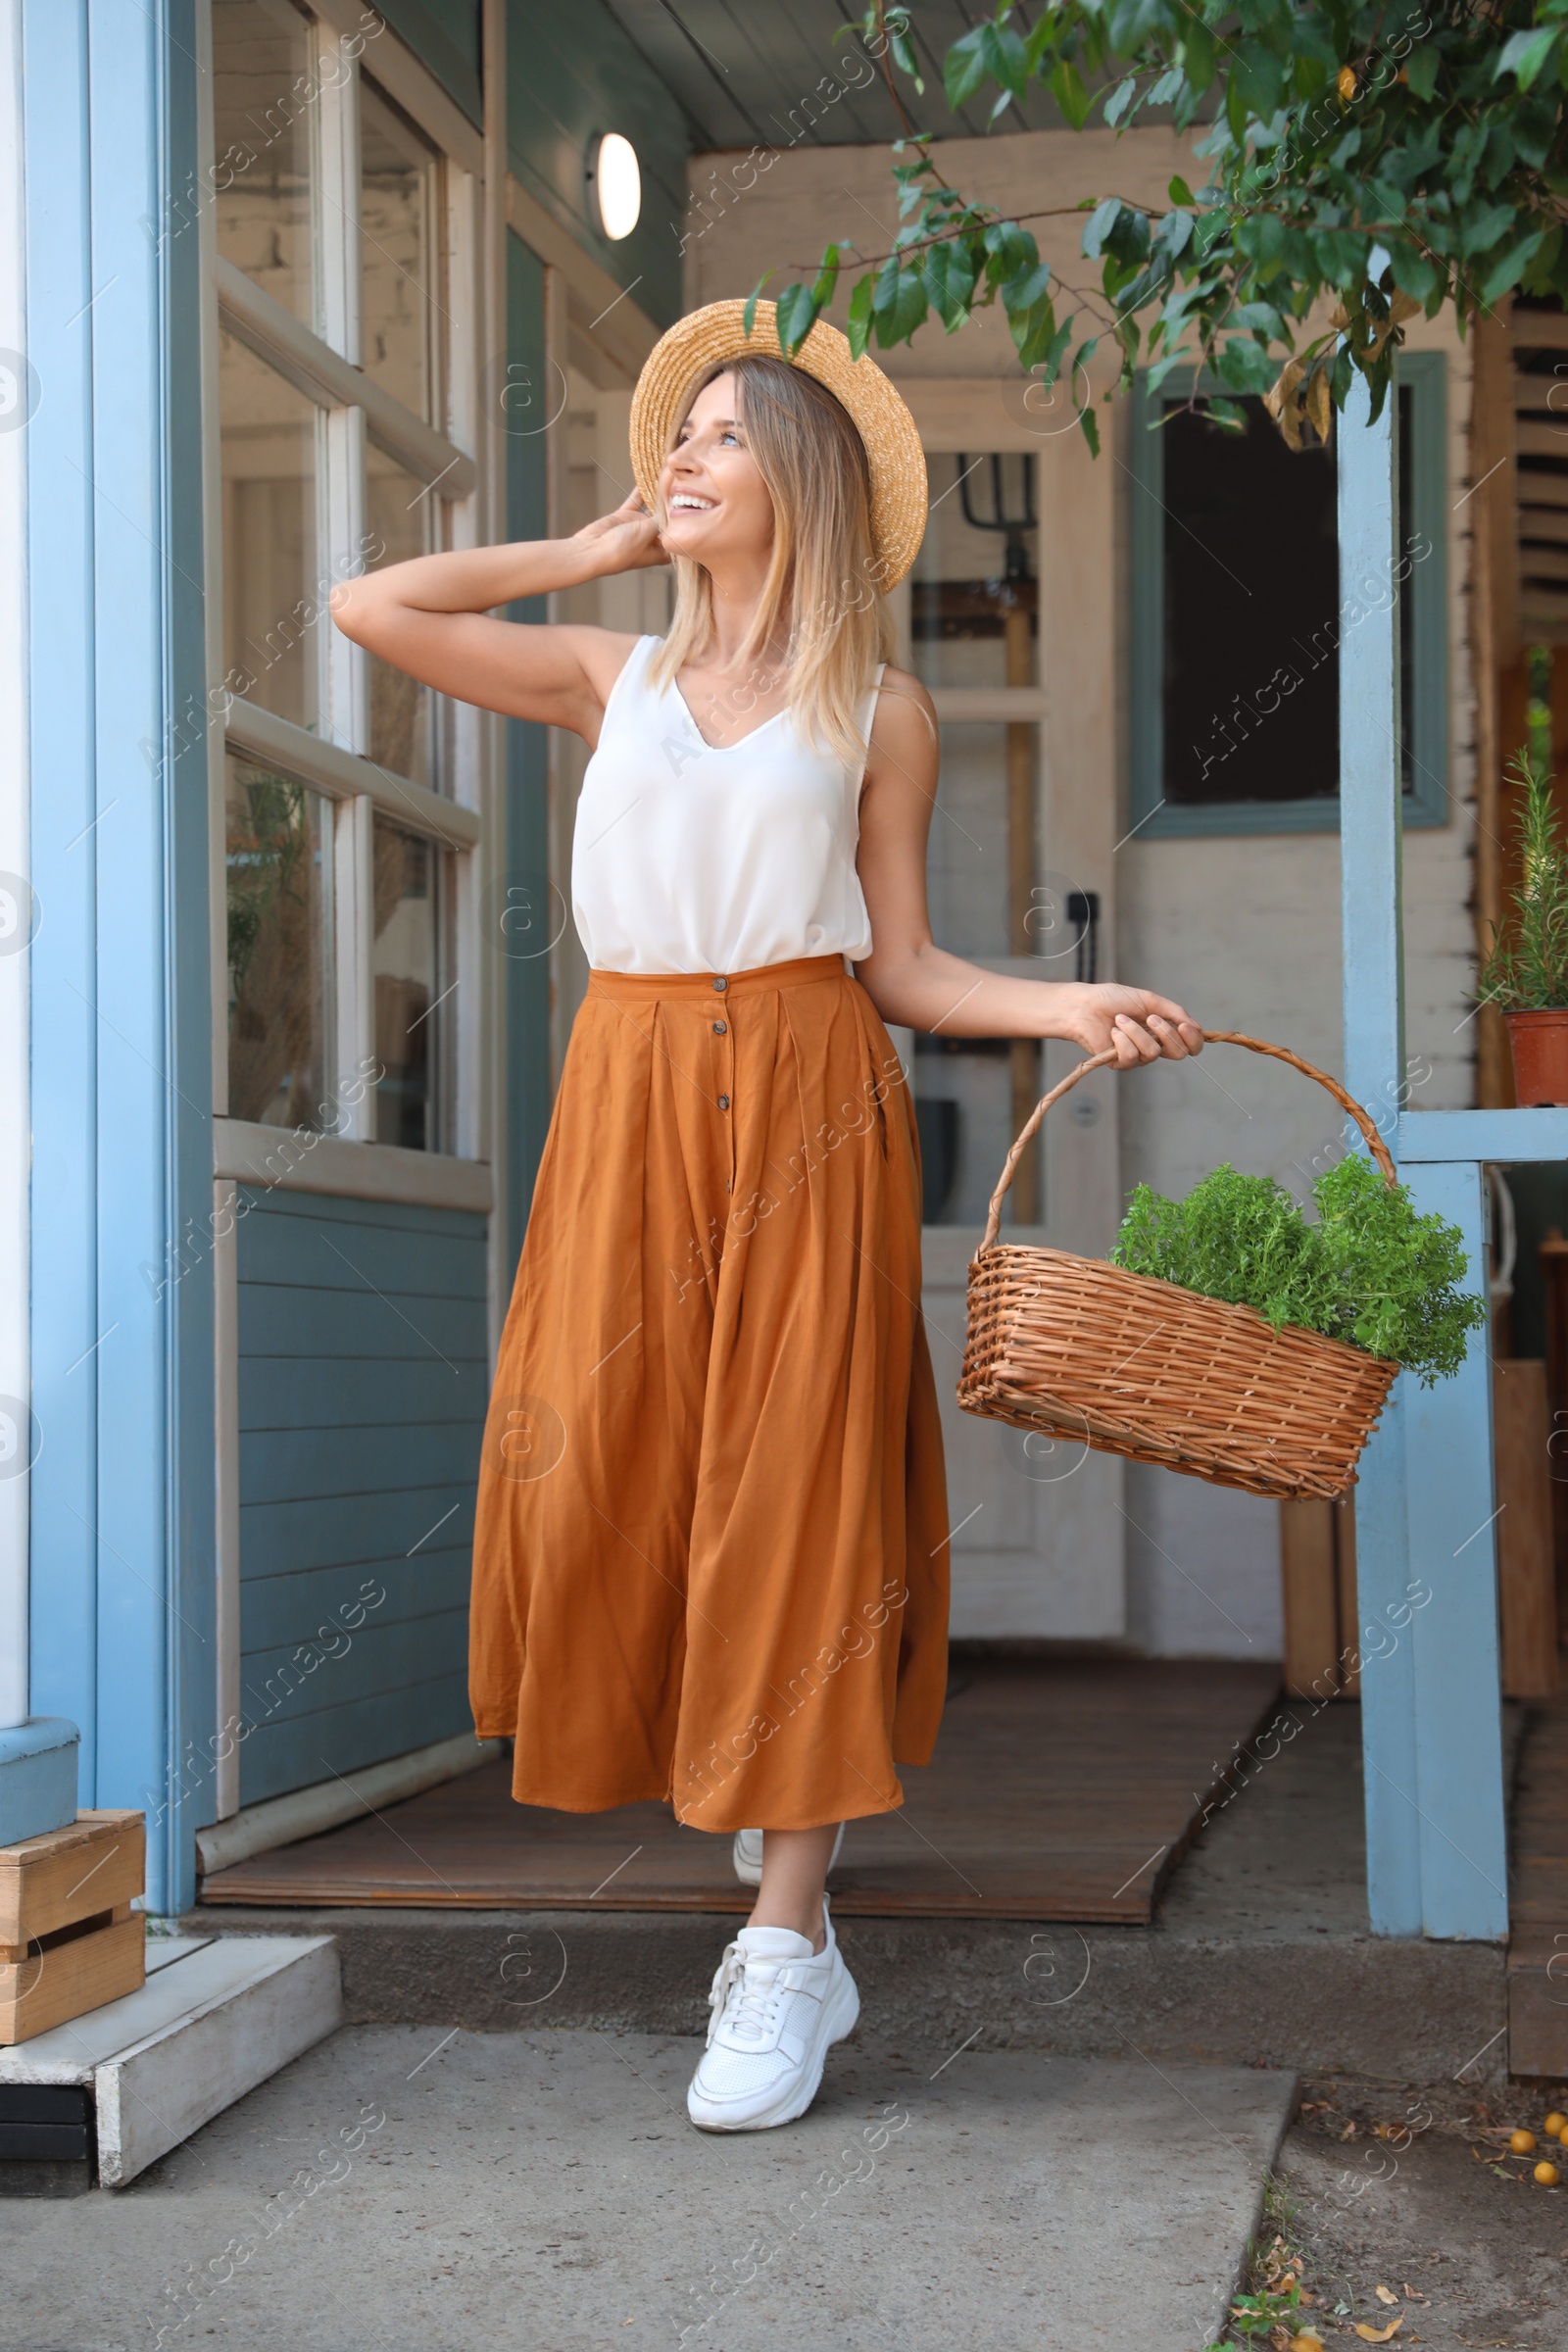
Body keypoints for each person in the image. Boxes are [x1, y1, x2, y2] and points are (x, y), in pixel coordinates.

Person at [332, 299, 1201, 2134]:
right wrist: (590, 546)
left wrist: (1061, 1006)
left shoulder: (881, 710)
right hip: (632, 1087)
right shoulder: (605, 675)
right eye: (685, 433)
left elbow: (893, 962)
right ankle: (734, 1776)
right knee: (609, 1467)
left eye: (725, 437)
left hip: (812, 1090)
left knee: (798, 1486)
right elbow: (375, 611)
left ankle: (790, 1944)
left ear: (798, 477)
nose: (688, 458)